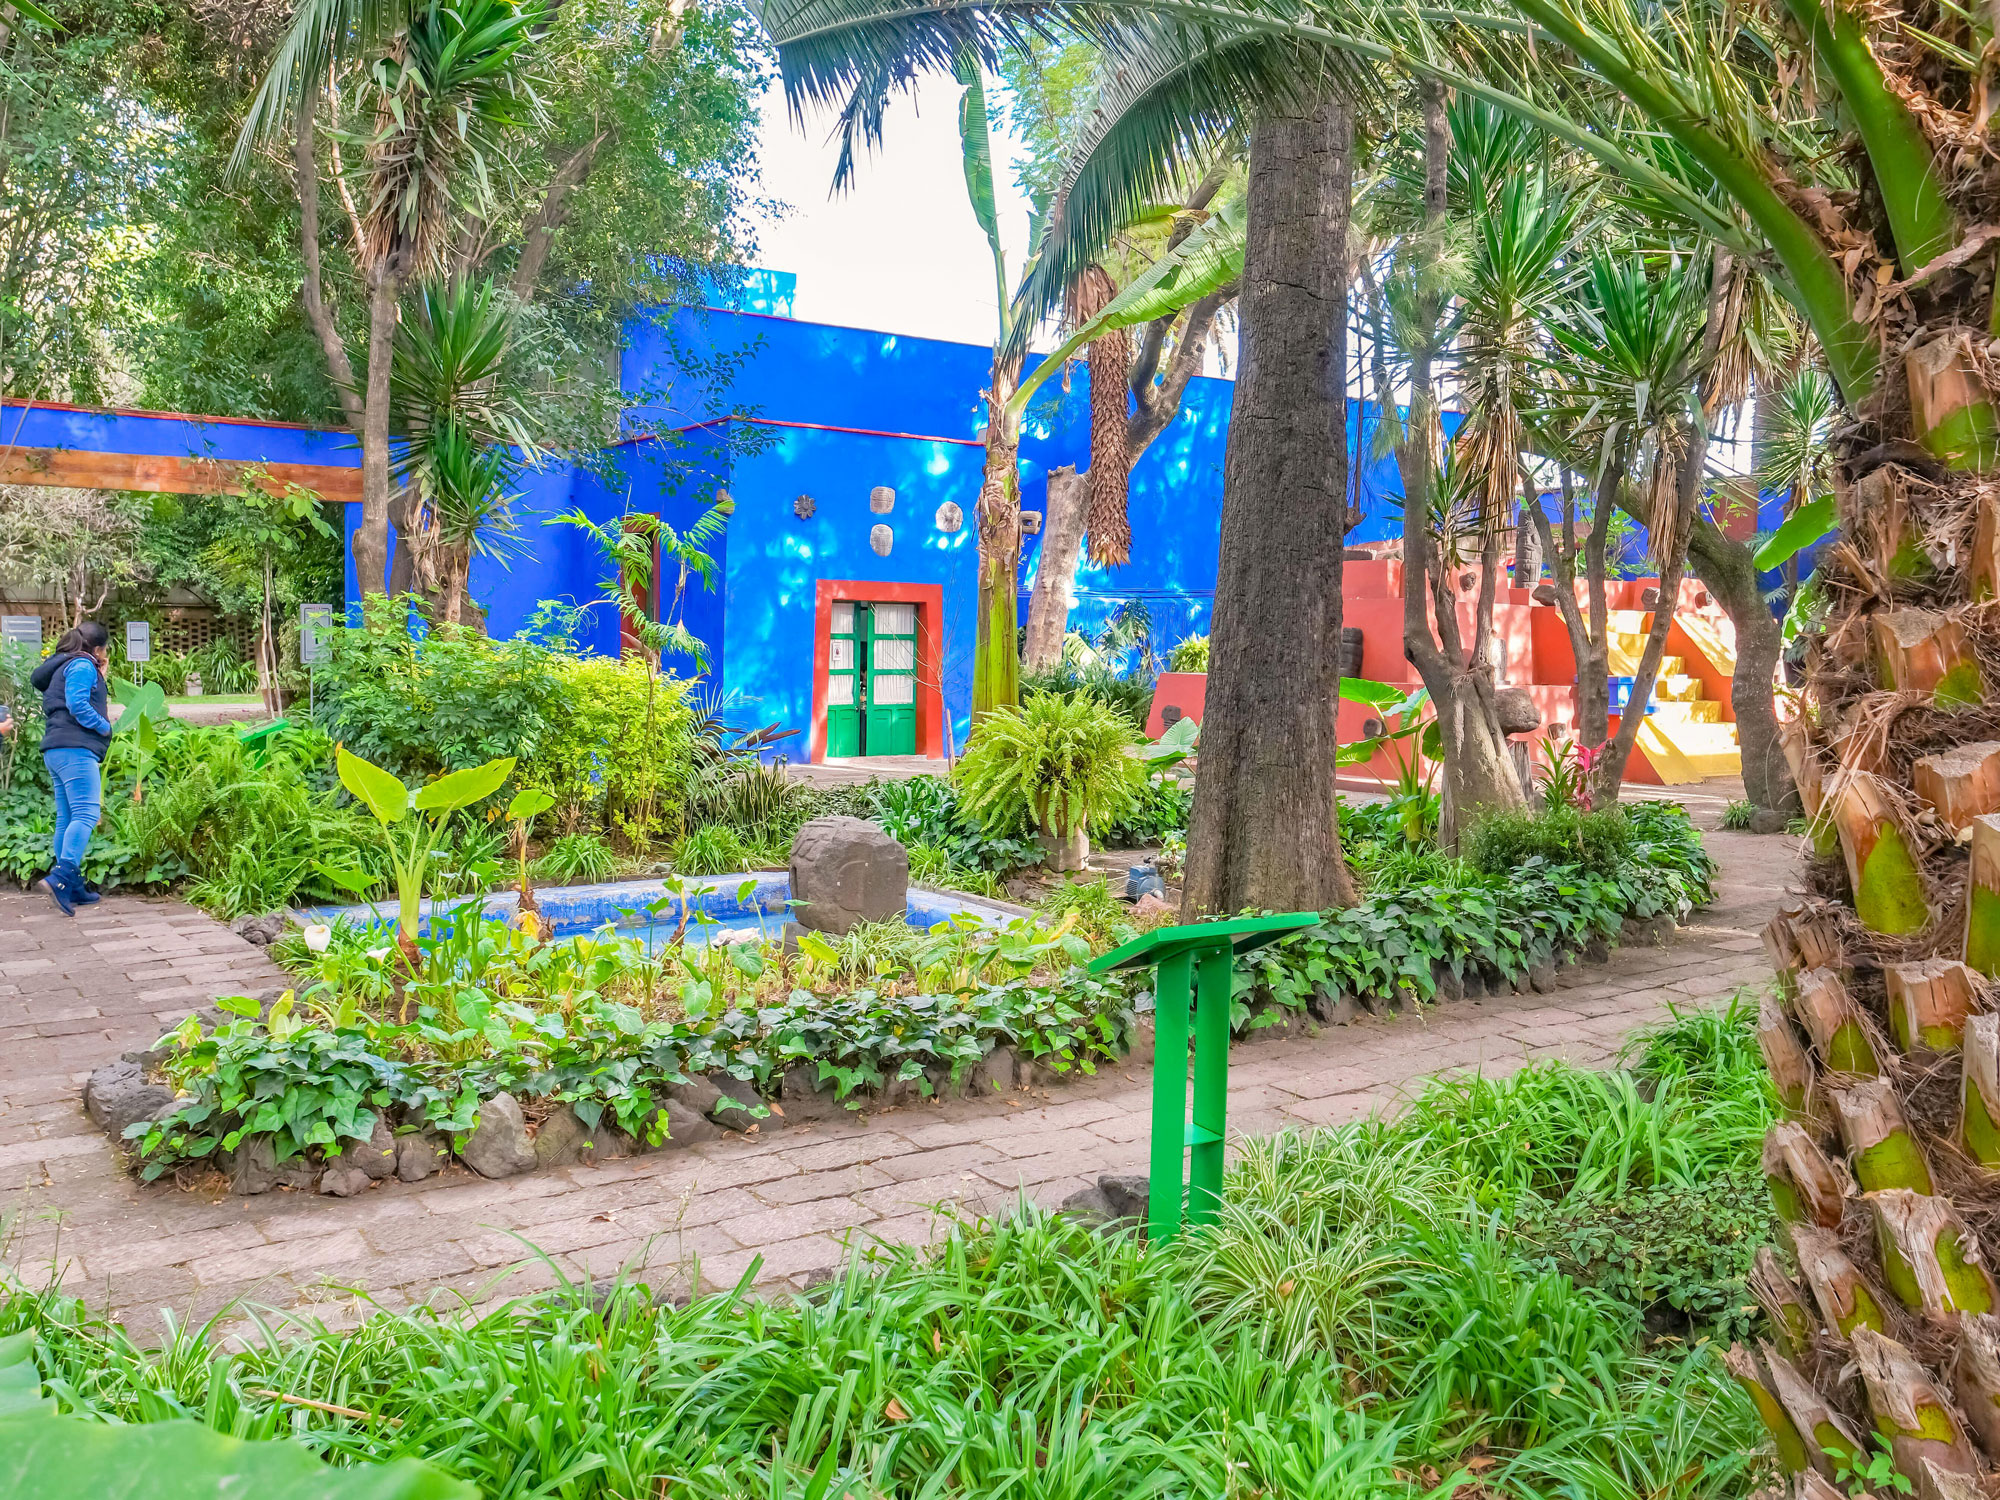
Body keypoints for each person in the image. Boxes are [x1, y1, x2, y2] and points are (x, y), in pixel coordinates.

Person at [30, 621, 113, 916]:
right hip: (76, 750)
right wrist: (104, 726)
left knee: (67, 815)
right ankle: (63, 878)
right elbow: (77, 704)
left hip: (57, 748)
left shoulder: (64, 665)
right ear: (99, 648)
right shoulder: (81, 665)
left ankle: (72, 881)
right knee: (87, 813)